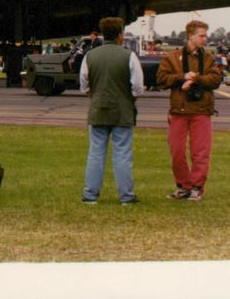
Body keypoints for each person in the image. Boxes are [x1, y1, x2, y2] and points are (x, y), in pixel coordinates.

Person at [79, 17, 144, 205]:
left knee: (96, 153)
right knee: (122, 153)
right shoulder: (129, 56)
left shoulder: (90, 56)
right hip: (122, 111)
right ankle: (126, 196)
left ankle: (90, 195)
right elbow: (138, 87)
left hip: (98, 109)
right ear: (120, 35)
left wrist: (95, 95)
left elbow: (84, 86)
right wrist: (129, 98)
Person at [156, 20, 222, 202]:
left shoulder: (208, 59)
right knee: (176, 150)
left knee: (200, 151)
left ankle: (197, 186)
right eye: (201, 35)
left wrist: (195, 79)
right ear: (190, 36)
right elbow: (161, 79)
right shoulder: (172, 57)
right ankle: (183, 185)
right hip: (179, 110)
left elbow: (216, 79)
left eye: (205, 35)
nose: (205, 39)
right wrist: (181, 77)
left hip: (201, 110)